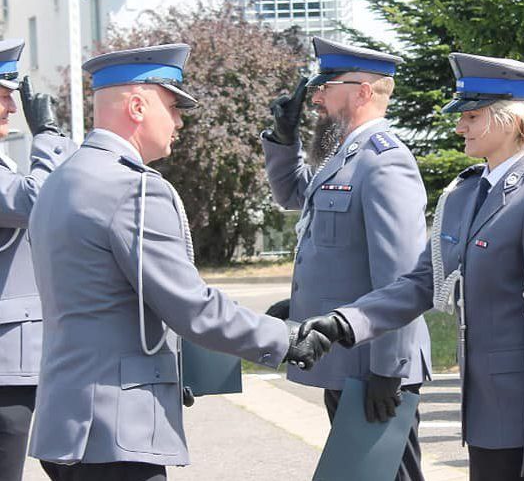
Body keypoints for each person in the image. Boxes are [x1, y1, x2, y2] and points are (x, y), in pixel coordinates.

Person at [27, 44, 329, 481]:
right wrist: (285, 338)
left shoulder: (61, 180)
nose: (180, 121)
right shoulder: (133, 189)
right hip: (116, 428)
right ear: (136, 106)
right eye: (172, 106)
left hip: (68, 423)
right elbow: (191, 307)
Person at [298, 53, 524, 481]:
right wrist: (343, 324)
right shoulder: (465, 193)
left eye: (472, 116)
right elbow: (420, 282)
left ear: (512, 121)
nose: (460, 125)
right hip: (483, 401)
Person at [262, 37, 431, 481]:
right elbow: (292, 194)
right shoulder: (343, 156)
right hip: (346, 361)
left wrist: (388, 371)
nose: (316, 97)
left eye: (326, 86)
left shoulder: (384, 161)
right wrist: (285, 139)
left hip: (373, 367)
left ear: (362, 91)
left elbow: (403, 279)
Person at [0, 39, 76, 481]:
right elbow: (39, 198)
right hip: (7, 361)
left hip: (22, 354)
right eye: (3, 94)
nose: (12, 107)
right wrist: (46, 135)